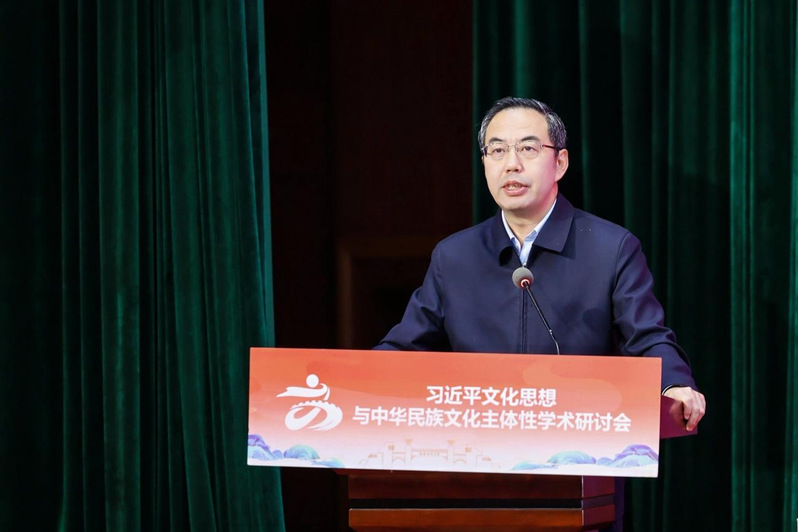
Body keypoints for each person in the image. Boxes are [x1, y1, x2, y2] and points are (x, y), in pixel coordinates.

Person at [375, 96, 706, 531]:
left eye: (528, 148)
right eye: (497, 150)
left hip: (580, 478)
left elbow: (646, 336)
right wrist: (356, 389)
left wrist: (675, 383)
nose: (511, 164)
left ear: (560, 162)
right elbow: (402, 349)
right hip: (474, 484)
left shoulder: (610, 248)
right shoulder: (454, 257)